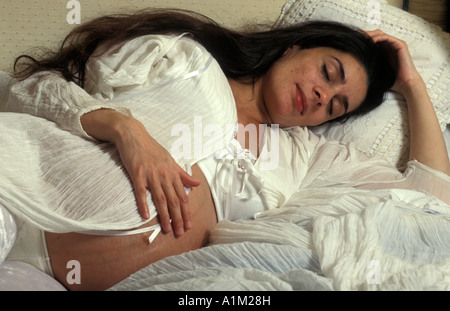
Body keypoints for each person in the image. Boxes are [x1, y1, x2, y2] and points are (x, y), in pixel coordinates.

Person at [4, 9, 449, 290]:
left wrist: (413, 87)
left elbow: (431, 202)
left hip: (48, 281)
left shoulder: (302, 158)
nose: (320, 97)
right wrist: (125, 129)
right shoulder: (186, 60)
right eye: (327, 72)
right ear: (295, 45)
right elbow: (33, 92)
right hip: (15, 199)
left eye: (335, 106)